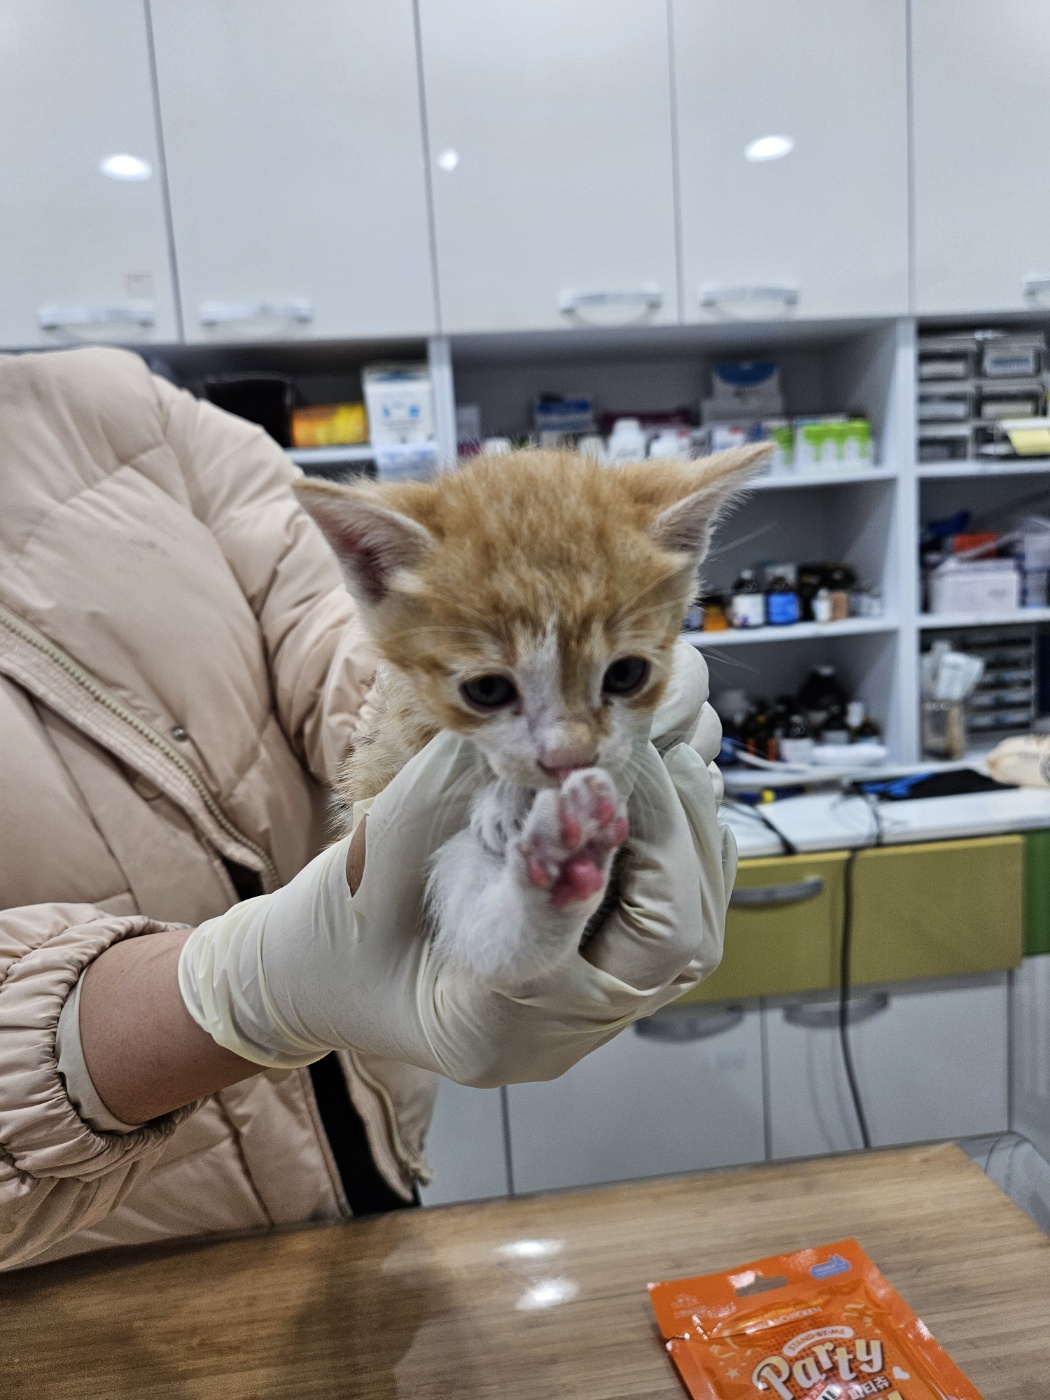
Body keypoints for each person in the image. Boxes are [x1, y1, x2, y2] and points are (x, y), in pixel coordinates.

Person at [0, 347, 736, 1271]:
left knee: (482, 889)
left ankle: (536, 894)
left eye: (624, 676)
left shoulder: (113, 410)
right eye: (497, 690)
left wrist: (427, 729)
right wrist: (218, 996)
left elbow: (319, 618)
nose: (569, 751)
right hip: (92, 1253)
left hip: (370, 1165)